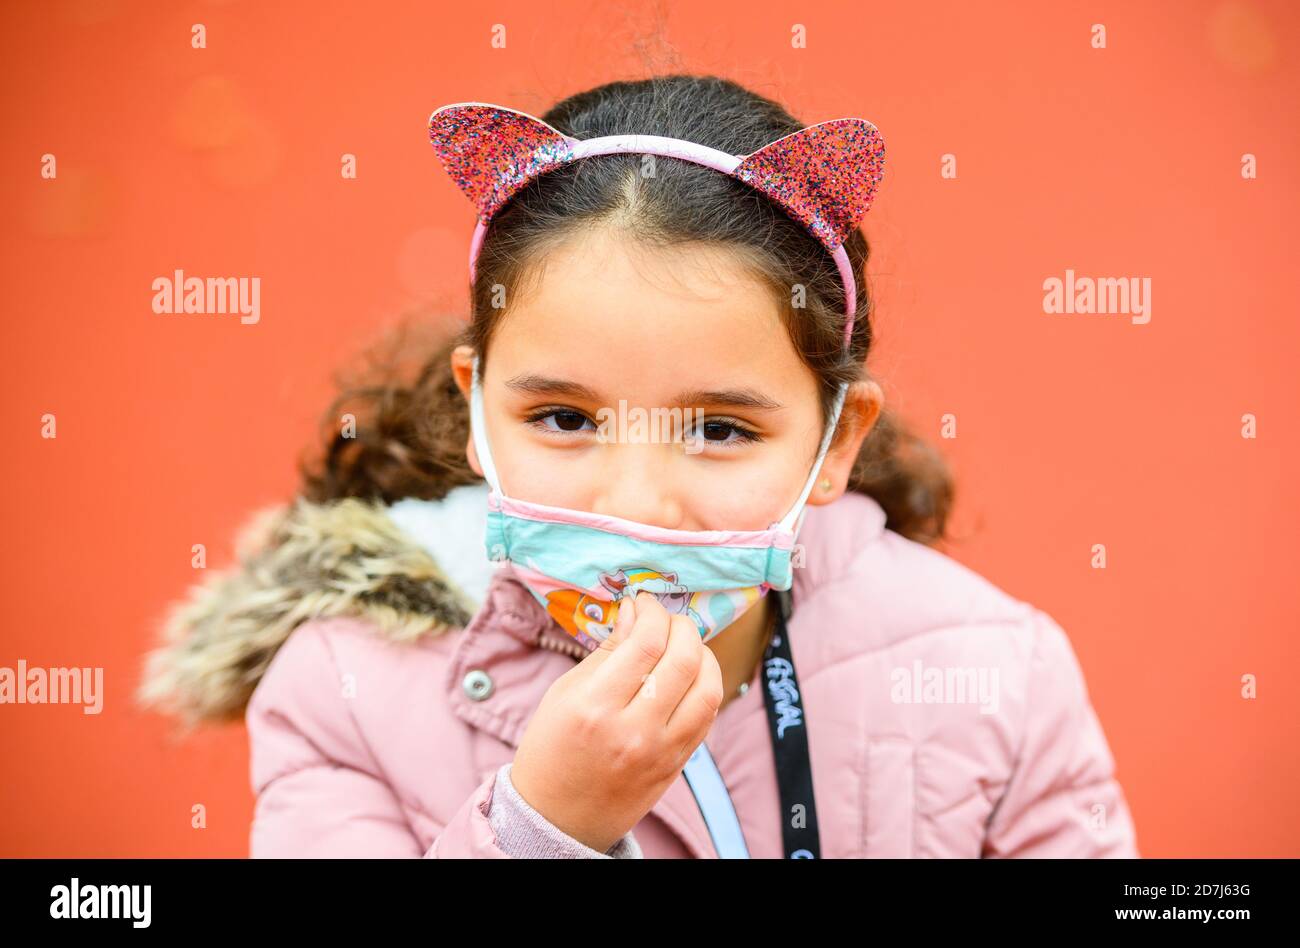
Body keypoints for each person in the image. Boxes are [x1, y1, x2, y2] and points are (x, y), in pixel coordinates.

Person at [137, 75, 1139, 859]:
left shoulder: (992, 673)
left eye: (718, 430)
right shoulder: (342, 690)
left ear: (834, 441)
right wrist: (543, 825)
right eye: (564, 417)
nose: (631, 502)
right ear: (476, 407)